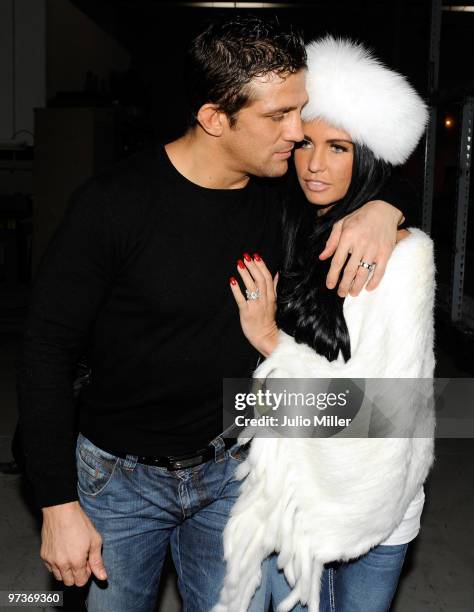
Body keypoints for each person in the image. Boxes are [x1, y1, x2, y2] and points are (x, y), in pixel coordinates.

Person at [18, 18, 414, 612]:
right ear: (214, 118)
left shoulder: (279, 197)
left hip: (232, 475)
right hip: (119, 482)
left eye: (299, 110)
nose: (298, 132)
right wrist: (56, 503)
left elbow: (360, 174)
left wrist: (386, 209)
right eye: (278, 117)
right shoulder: (112, 207)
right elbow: (44, 351)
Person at [217, 37, 434, 612]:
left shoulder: (401, 257)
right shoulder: (282, 220)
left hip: (372, 504)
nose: (314, 165)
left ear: (367, 158)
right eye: (306, 143)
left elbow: (381, 414)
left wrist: (268, 342)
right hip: (290, 494)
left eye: (338, 147)